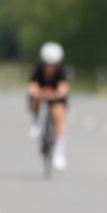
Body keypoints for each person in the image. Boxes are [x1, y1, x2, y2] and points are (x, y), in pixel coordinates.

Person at [28, 42, 70, 171]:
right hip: (41, 96)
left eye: (52, 65)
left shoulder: (61, 72)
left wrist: (55, 94)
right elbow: (32, 86)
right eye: (47, 65)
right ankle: (37, 123)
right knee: (36, 102)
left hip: (56, 98)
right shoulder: (37, 70)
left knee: (58, 116)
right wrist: (38, 93)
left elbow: (64, 88)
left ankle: (59, 153)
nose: (49, 68)